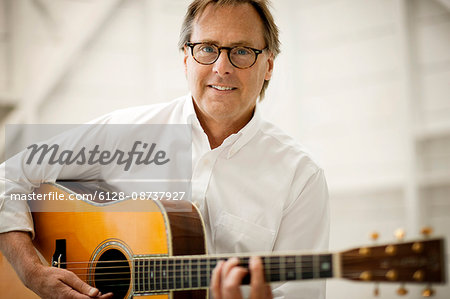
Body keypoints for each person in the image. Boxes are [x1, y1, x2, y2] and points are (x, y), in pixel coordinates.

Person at [0, 0, 329, 298]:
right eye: (207, 48)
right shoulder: (125, 134)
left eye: (242, 51)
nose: (222, 67)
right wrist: (33, 272)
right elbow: (8, 178)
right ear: (186, 59)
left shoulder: (300, 176)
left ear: (268, 64)